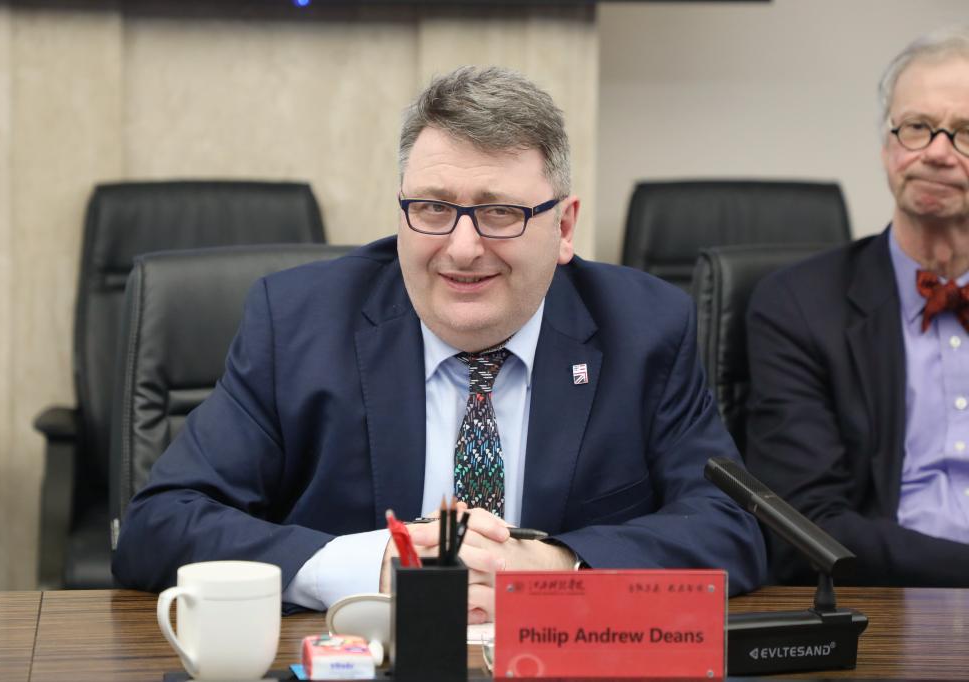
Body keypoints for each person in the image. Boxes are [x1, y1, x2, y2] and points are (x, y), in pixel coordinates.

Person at [112, 66, 766, 619]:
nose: (461, 247)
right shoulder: (297, 322)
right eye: (432, 208)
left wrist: (560, 567)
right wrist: (368, 566)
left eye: (500, 212)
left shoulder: (645, 329)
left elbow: (731, 526)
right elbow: (158, 525)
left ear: (564, 228)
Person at [746, 27, 969, 586]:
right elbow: (805, 525)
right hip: (882, 603)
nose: (937, 152)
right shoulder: (796, 307)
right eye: (917, 127)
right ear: (888, 146)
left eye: (966, 133)